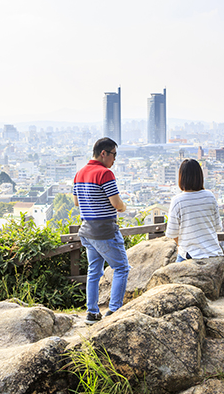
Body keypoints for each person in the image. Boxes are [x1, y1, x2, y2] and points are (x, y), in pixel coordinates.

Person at [73, 137, 129, 325]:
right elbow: (116, 203)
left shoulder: (80, 173)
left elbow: (76, 202)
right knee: (121, 268)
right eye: (113, 154)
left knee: (94, 271)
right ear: (103, 153)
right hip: (105, 230)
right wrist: (122, 207)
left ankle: (92, 312)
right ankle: (114, 310)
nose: (114, 160)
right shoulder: (105, 174)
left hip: (87, 230)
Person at [165, 159, 224, 262]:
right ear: (200, 177)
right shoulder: (210, 196)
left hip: (190, 254)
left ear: (181, 177)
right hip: (214, 252)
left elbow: (172, 233)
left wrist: (182, 245)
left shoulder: (177, 200)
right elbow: (217, 226)